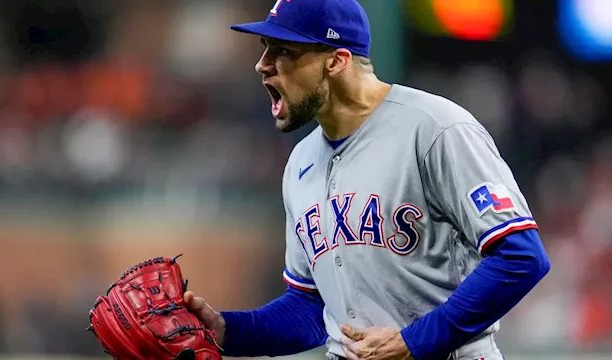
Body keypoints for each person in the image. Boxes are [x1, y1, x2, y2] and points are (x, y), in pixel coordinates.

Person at [183, 0, 551, 359]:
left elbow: (520, 256)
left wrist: (414, 342)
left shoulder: (436, 129)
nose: (262, 65)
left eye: (282, 51)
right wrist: (227, 331)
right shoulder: (300, 163)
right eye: (265, 49)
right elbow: (313, 307)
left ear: (337, 61)